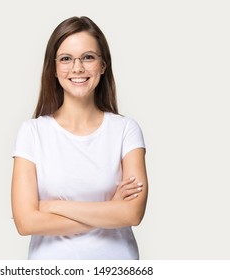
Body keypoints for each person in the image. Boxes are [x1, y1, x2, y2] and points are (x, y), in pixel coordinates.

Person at [11, 16, 148, 260]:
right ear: (53, 68)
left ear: (103, 65)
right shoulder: (32, 133)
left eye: (88, 57)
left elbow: (132, 214)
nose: (77, 68)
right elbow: (26, 222)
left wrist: (52, 207)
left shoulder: (126, 130)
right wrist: (109, 210)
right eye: (66, 59)